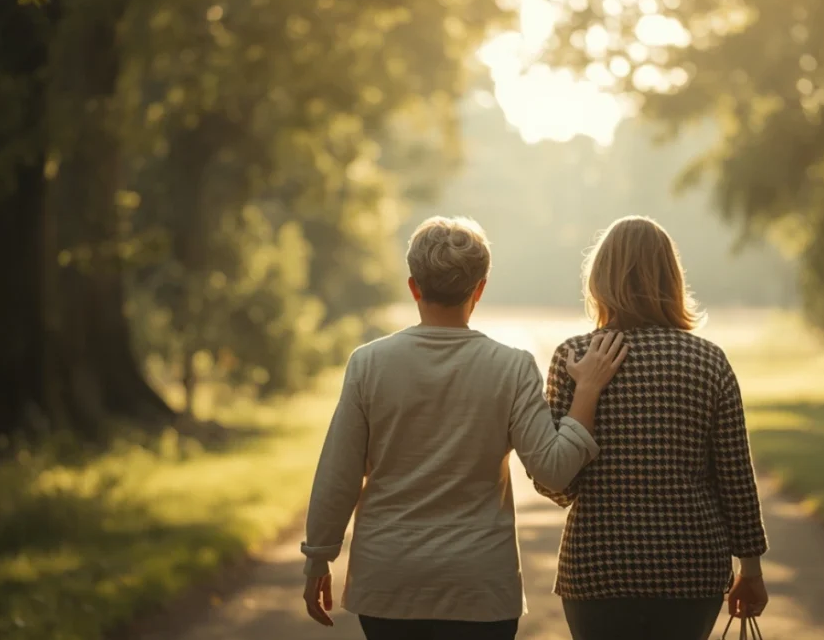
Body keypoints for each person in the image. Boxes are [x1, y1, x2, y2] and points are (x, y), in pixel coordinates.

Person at [300, 216, 629, 640]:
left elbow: (338, 474)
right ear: (480, 288)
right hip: (480, 587)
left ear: (414, 286)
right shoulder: (511, 367)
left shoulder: (369, 363)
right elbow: (553, 471)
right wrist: (586, 391)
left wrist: (318, 559)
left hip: (388, 583)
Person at [534, 215, 770, 640]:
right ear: (671, 277)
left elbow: (558, 488)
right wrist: (749, 569)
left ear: (600, 278)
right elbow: (735, 475)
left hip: (597, 567)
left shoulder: (574, 357)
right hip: (691, 569)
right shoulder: (708, 360)